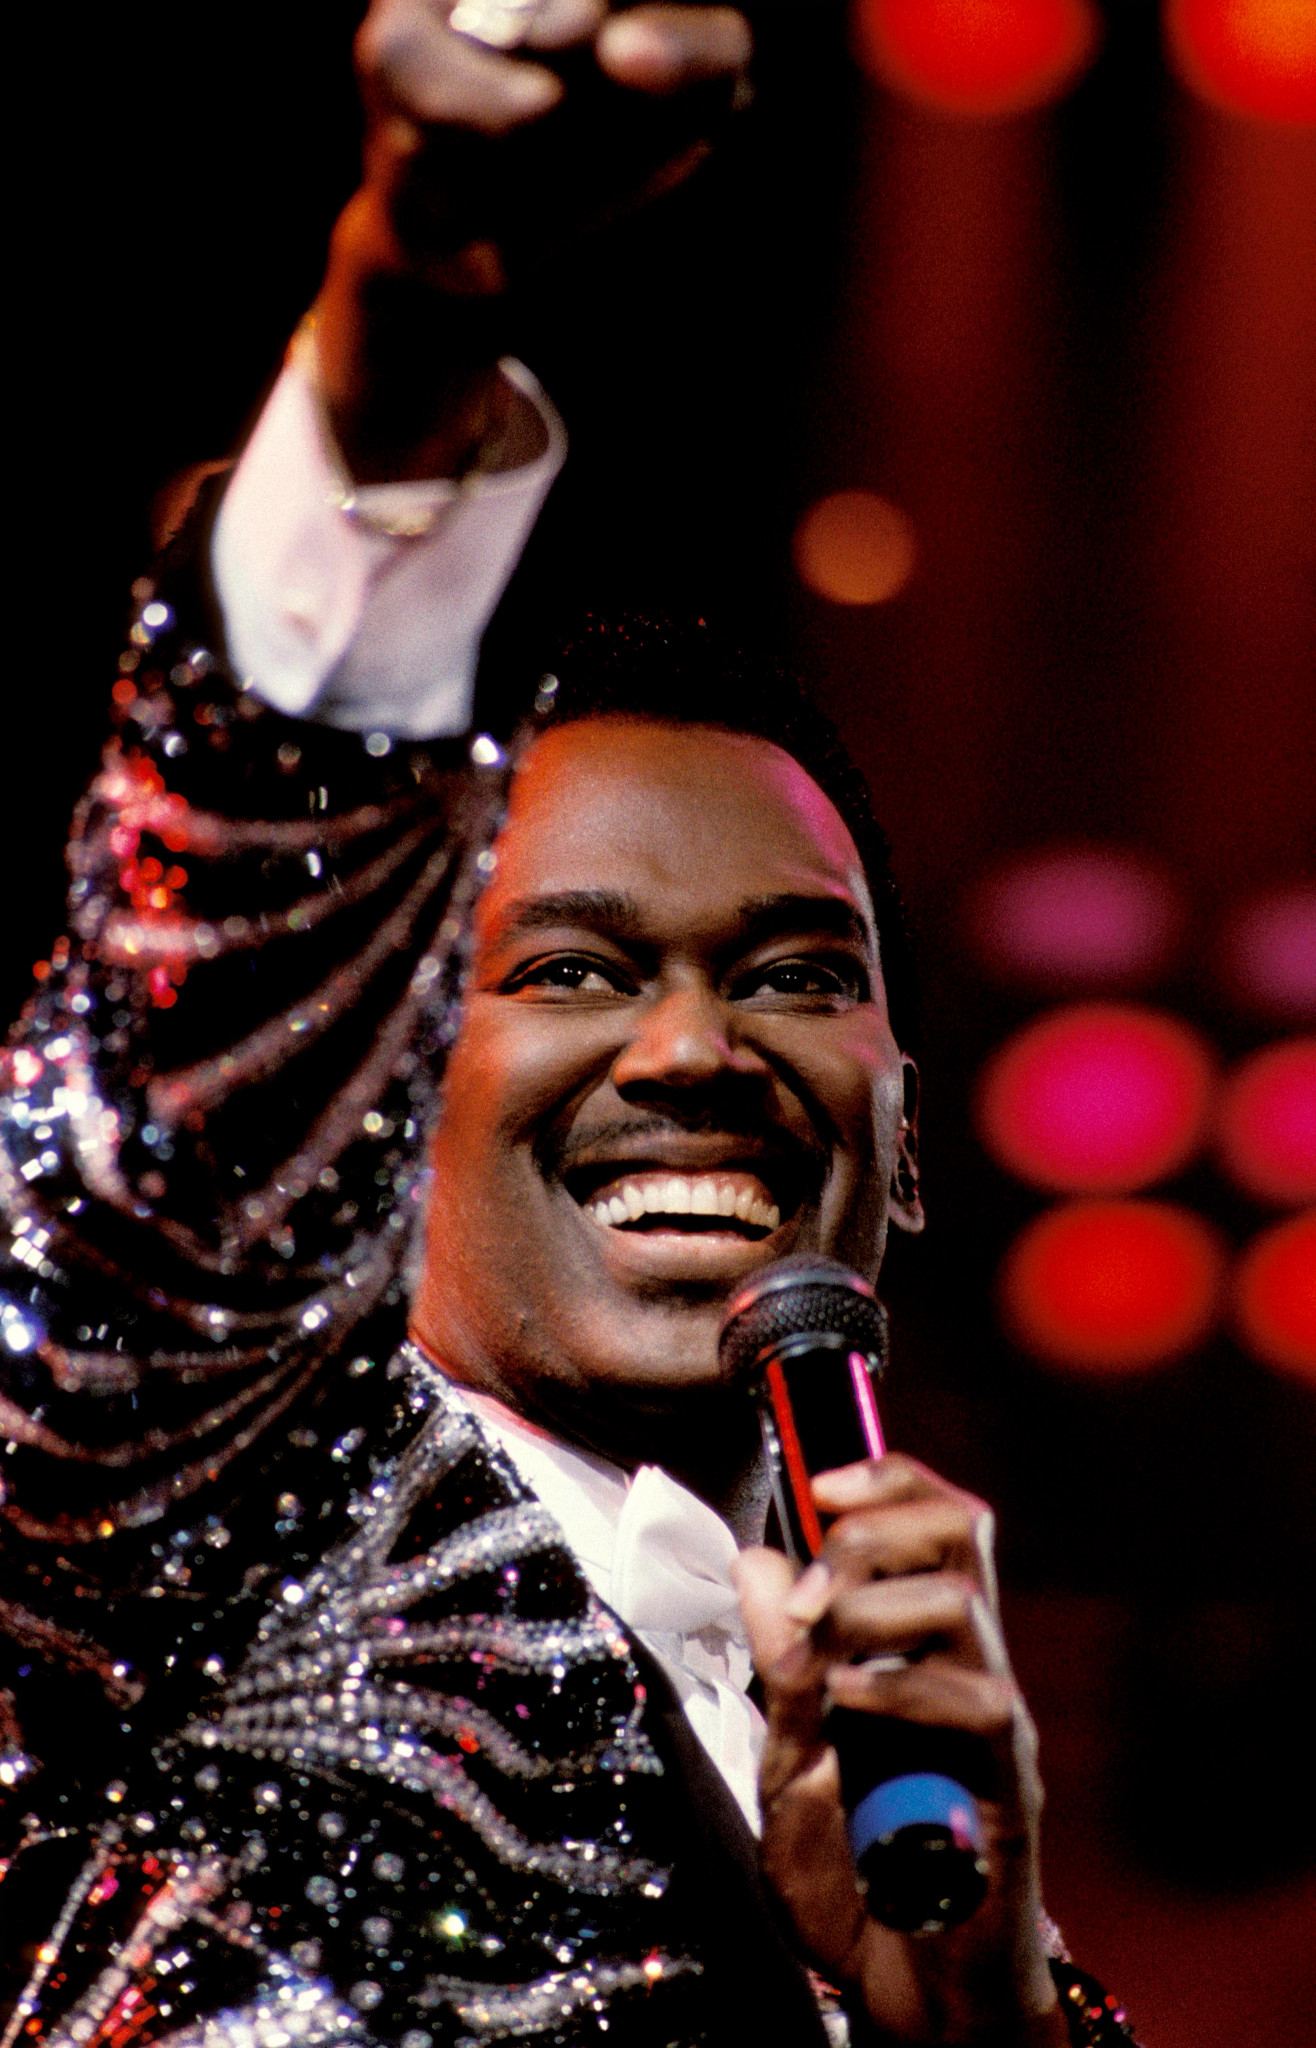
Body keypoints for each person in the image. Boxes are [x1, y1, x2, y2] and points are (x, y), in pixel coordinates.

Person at [0, 5, 1137, 2044]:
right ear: (368, 1120)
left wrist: (973, 2016)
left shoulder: (926, 1809)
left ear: (912, 1122)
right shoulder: (195, 1534)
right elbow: (177, 1071)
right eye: (573, 967)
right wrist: (410, 325)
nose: (699, 1046)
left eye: (797, 972)